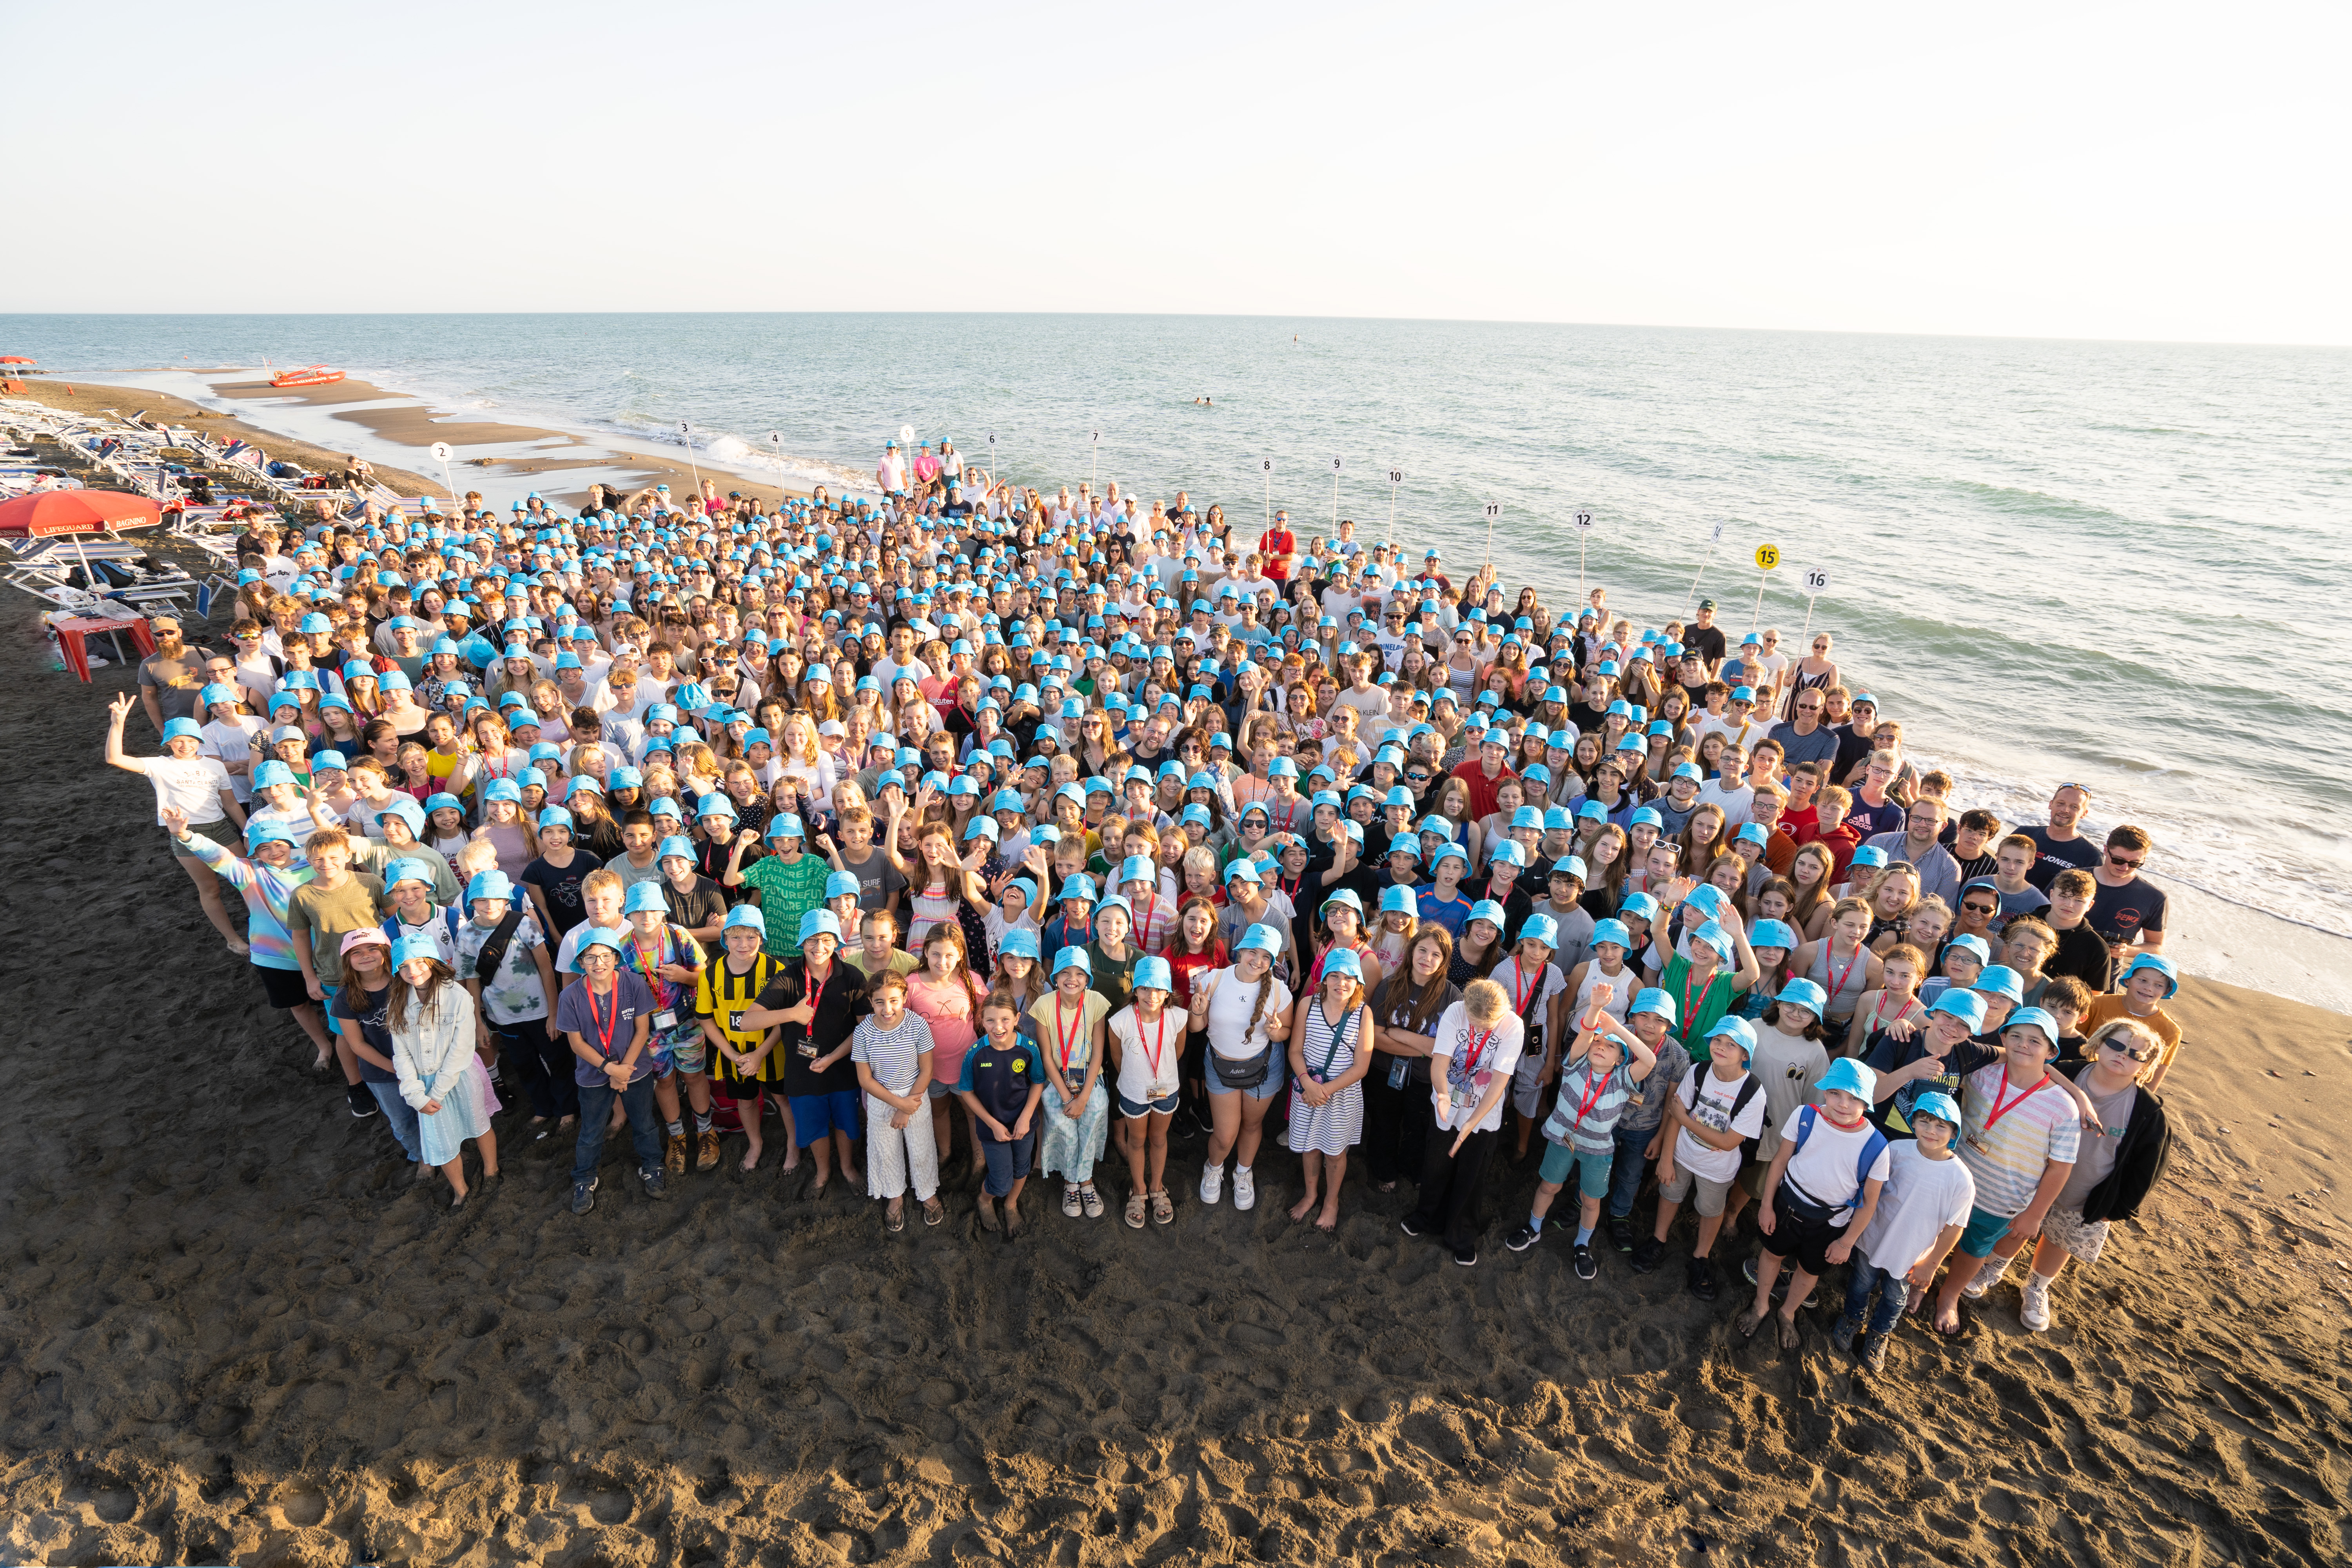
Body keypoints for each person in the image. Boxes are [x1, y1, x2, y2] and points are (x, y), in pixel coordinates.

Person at [2022, 1018, 2174, 1331]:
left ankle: (2036, 1287)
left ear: (2147, 1065)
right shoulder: (2065, 1070)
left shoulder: (2147, 1111)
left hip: (2085, 1194)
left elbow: (2149, 1168)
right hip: (2031, 1177)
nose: (2123, 1055)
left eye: (2135, 1054)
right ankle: (1995, 1266)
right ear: (2100, 1043)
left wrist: (2117, 1208)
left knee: (2059, 1241)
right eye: (2116, 1045)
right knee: (2015, 1225)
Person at [1505, 980, 1657, 1278]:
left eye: (1610, 1046)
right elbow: (1587, 1033)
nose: (1601, 1046)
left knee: (1591, 1200)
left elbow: (1649, 1059)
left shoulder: (1623, 1080)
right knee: (1549, 1185)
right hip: (1563, 1139)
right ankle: (1534, 1227)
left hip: (1598, 1151)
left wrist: (1617, 1027)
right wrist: (1597, 1007)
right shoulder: (1576, 1064)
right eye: (1598, 1043)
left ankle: (1582, 1244)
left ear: (1620, 1059)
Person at [1737, 1057, 1887, 1350]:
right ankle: (1761, 1304)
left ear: (1867, 1103)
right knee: (1771, 1255)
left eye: (1854, 1098)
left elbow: (1869, 1203)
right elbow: (1780, 1161)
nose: (1843, 1104)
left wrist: (1847, 1243)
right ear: (1825, 1092)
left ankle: (1788, 1311)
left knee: (1809, 1271)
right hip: (1787, 1206)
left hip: (1830, 1223)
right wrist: (1767, 1204)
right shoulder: (1805, 1116)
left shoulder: (1876, 1145)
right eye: (1835, 1094)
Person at [1833, 1091, 1972, 1372]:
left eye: (1941, 1126)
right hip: (1873, 1237)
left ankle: (1878, 1335)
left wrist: (1931, 1265)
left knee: (1895, 1296)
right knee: (1861, 1283)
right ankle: (1852, 1320)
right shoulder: (1896, 1150)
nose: (1931, 1131)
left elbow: (1955, 1227)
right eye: (1925, 1121)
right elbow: (1873, 1191)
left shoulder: (1961, 1179)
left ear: (1954, 1131)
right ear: (1914, 1121)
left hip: (1911, 1252)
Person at [1632, 1017, 1766, 1301]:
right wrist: (1666, 1158)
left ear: (1746, 1055)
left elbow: (1729, 1142)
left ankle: (1701, 1256)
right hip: (1682, 1154)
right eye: (1717, 1040)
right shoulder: (1699, 1072)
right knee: (1670, 1194)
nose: (1720, 1047)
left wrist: (1684, 1118)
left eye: (1732, 1045)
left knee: (1711, 1210)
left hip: (1718, 1169)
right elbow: (1675, 1119)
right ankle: (1658, 1239)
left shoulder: (1753, 1092)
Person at [739, 908, 870, 1196]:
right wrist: (791, 1014)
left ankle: (847, 1168)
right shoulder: (788, 979)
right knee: (813, 1126)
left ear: (837, 942)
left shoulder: (852, 977)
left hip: (843, 1068)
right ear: (801, 943)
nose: (819, 948)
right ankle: (823, 1172)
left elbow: (864, 1029)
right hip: (802, 1071)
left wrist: (833, 1057)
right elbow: (748, 1021)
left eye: (826, 940)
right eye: (812, 940)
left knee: (847, 1123)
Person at [107, 693, 247, 953]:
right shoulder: (159, 766)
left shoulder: (215, 767)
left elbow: (230, 804)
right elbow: (115, 759)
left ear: (200, 741)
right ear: (168, 743)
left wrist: (247, 831)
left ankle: (265, 925)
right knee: (210, 889)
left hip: (221, 829)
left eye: (192, 740)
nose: (185, 746)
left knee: (248, 881)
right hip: (185, 832)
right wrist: (118, 723)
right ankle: (232, 939)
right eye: (178, 741)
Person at [1403, 977, 1521, 1267]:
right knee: (1436, 1163)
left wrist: (1472, 1123)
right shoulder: (1456, 1012)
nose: (1480, 1029)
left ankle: (1461, 1235)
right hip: (1447, 1106)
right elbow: (1440, 1062)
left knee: (1472, 1175)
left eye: (1487, 1026)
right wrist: (1443, 1094)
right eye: (1475, 1022)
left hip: (1483, 1116)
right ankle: (1427, 1216)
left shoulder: (1514, 1026)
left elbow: (1499, 1083)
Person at [555, 927, 666, 1213]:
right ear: (580, 962)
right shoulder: (570, 996)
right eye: (591, 958)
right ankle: (584, 1178)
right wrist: (610, 1070)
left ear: (617, 958)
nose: (599, 963)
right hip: (594, 1075)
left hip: (635, 1070)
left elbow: (643, 1030)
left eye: (606, 956)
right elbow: (577, 1044)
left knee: (644, 1123)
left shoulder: (634, 984)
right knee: (591, 1130)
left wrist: (624, 1070)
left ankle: (652, 1166)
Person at [387, 934, 500, 1208]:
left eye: (419, 963)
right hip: (423, 1086)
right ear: (396, 971)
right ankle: (460, 1189)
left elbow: (461, 1050)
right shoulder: (396, 1005)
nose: (413, 972)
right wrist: (415, 1094)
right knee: (441, 1141)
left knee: (479, 1124)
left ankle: (491, 1170)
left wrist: (436, 1091)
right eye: (404, 967)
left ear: (433, 962)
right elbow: (400, 1054)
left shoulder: (457, 996)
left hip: (459, 1076)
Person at [1192, 924, 1296, 1210]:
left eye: (1266, 957)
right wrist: (1197, 1012)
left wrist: (1276, 1032)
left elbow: (1286, 1031)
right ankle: (1214, 1167)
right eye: (1253, 951)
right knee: (1225, 1135)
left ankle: (1243, 1171)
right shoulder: (1214, 979)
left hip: (1263, 1069)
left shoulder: (1278, 991)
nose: (1258, 961)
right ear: (1240, 950)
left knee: (1251, 1125)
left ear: (1273, 961)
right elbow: (1196, 1028)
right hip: (1219, 1066)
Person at [455, 869, 566, 1135]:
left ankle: (567, 1110)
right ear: (472, 903)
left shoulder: (524, 924)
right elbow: (471, 981)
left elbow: (546, 968)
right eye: (481, 900)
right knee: (525, 1065)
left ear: (507, 900)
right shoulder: (466, 935)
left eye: (496, 898)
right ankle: (542, 1108)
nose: (489, 905)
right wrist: (479, 1023)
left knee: (557, 1060)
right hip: (502, 1015)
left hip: (540, 1011)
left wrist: (554, 1013)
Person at [1283, 946, 1374, 1230]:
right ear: (1323, 980)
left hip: (1340, 1096)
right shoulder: (1307, 1005)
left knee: (1335, 1153)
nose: (1341, 983)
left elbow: (1361, 1067)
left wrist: (1325, 1090)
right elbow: (1295, 1051)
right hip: (1308, 1092)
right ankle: (1311, 1195)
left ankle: (1331, 1201)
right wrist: (1308, 1084)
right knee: (1309, 1148)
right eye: (1334, 976)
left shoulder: (1363, 1013)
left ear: (1358, 983)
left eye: (1348, 978)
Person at [850, 966, 943, 1231]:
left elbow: (927, 1069)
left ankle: (927, 1192)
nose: (887, 1008)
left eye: (893, 1000)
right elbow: (865, 1079)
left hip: (915, 1095)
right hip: (882, 1099)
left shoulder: (917, 1024)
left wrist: (907, 1105)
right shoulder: (864, 1032)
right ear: (871, 1002)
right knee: (885, 1151)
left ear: (904, 997)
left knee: (922, 1147)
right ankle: (895, 1195)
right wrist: (897, 1104)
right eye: (879, 1002)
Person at [956, 989, 1047, 1237]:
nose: (998, 1027)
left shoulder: (1029, 1048)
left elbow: (1038, 1082)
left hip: (1023, 1124)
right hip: (992, 1128)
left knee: (1022, 1168)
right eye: (990, 1021)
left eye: (1005, 1020)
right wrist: (993, 1124)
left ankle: (1010, 1204)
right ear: (981, 1020)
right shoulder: (975, 1053)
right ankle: (985, 1200)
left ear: (1017, 1018)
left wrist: (1026, 1117)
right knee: (1001, 1180)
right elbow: (966, 1091)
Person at [1036, 947, 1112, 1218]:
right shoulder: (1044, 1005)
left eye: (1080, 973)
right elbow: (1046, 1056)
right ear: (1055, 977)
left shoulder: (1096, 1002)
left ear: (1088, 979)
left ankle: (1086, 1181)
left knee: (1094, 1113)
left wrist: (1082, 1098)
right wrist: (1069, 1098)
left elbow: (1099, 1055)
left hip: (1090, 1081)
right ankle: (1071, 1182)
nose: (1073, 979)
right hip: (1058, 1081)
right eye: (1065, 973)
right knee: (1065, 1127)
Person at [1109, 955, 1185, 1227]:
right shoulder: (1120, 1021)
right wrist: (1137, 1078)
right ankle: (1139, 1187)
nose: (1151, 995)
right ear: (1136, 990)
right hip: (1132, 1092)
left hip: (1166, 1090)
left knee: (1159, 1138)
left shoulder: (1178, 1017)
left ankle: (1156, 1185)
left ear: (1167, 992)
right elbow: (1118, 1059)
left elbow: (1177, 1052)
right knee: (1137, 1140)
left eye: (1158, 989)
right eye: (1145, 988)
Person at [2079, 953, 2185, 1089]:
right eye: (2143, 980)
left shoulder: (2171, 1031)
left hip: (2122, 1091)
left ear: (2167, 991)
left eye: (2158, 985)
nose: (2149, 988)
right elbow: (2074, 1045)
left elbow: (2150, 1083)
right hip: (2082, 1075)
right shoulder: (2096, 1004)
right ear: (2128, 979)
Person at [2085, 824, 2167, 964]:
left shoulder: (2154, 897)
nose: (2125, 867)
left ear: (2144, 859)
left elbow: (2157, 946)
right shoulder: (2072, 879)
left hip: (2107, 970)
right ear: (2105, 850)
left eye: (2135, 863)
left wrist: (2126, 950)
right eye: (2118, 860)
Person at [2019, 783, 2102, 891]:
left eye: (2074, 807)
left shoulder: (2091, 856)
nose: (2065, 810)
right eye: (2061, 803)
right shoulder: (2024, 834)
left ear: (2084, 813)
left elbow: (2088, 896)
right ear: (2051, 804)